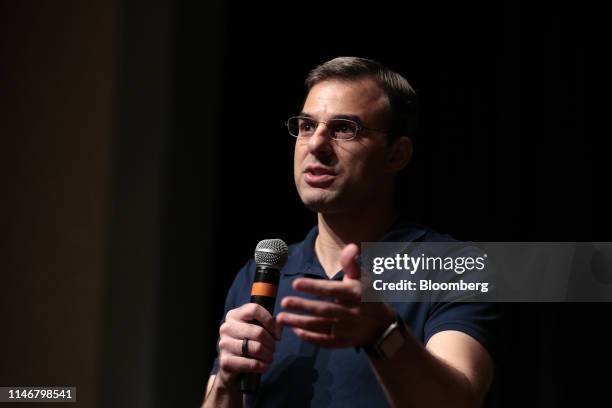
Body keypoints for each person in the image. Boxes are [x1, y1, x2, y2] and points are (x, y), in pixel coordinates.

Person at [202, 57, 499, 407]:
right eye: (307, 126)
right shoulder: (260, 274)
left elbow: (457, 402)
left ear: (396, 154)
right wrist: (227, 381)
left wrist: (382, 334)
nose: (316, 145)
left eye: (344, 128)